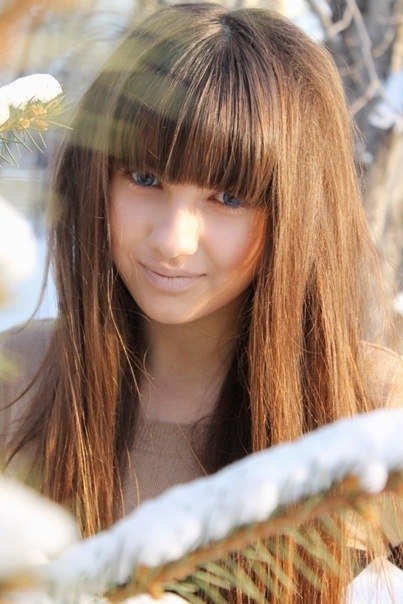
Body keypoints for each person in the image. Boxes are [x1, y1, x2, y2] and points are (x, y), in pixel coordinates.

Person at [1, 2, 402, 601]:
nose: (173, 240)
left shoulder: (372, 410)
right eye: (145, 178)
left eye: (229, 197)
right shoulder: (19, 384)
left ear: (297, 209)